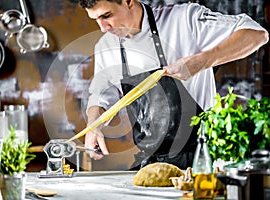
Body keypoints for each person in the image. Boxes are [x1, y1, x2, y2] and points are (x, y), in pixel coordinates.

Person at [79, 0, 269, 169]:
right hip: (152, 163)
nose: (103, 27)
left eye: (107, 15)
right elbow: (101, 97)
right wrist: (94, 125)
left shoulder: (184, 19)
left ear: (129, 2)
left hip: (201, 159)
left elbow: (256, 34)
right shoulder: (105, 47)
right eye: (96, 19)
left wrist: (202, 61)